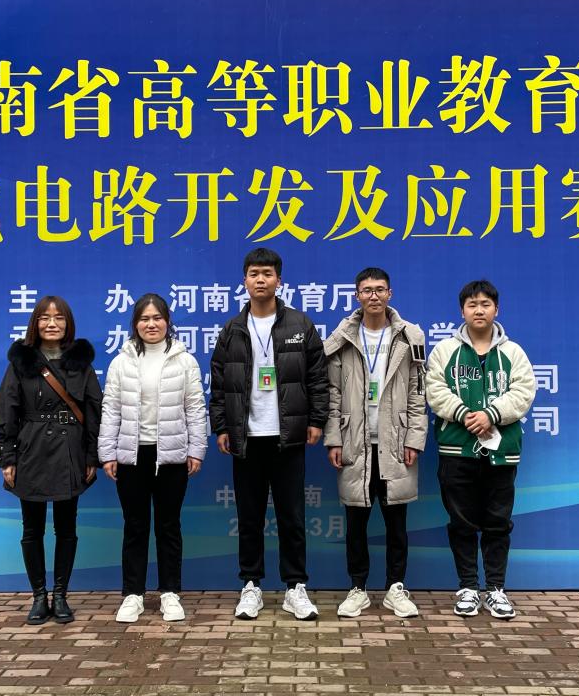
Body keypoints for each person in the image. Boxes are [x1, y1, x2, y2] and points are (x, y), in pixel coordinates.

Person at [209, 248, 329, 620]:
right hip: (247, 437)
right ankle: (251, 585)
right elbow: (218, 384)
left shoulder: (300, 325)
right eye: (254, 274)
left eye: (267, 273)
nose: (260, 280)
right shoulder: (232, 329)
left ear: (279, 280)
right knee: (249, 516)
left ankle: (295, 587)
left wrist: (316, 420)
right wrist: (222, 426)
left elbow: (318, 378)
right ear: (244, 280)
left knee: (292, 516)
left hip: (287, 436)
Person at [426, 279, 536, 619]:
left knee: (498, 523)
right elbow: (434, 388)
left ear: (496, 309)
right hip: (457, 450)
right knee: (461, 523)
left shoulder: (513, 352)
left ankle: (496, 589)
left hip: (501, 452)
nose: (479, 310)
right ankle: (468, 588)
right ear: (462, 311)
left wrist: (491, 414)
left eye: (485, 304)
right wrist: (464, 414)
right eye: (472, 304)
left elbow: (524, 391)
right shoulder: (445, 350)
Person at [0, 296, 102, 625]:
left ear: (68, 324)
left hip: (70, 451)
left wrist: (91, 455)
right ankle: (39, 596)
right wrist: (7, 457)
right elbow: (5, 411)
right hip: (31, 451)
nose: (52, 323)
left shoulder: (81, 363)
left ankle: (61, 594)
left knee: (67, 528)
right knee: (32, 528)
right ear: (35, 323)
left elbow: (95, 411)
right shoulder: (21, 362)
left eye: (59, 318)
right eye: (44, 317)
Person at [323, 268, 427, 618]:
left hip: (395, 440)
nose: (373, 296)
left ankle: (396, 587)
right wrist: (333, 439)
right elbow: (333, 393)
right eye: (366, 290)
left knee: (397, 521)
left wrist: (414, 438)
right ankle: (358, 588)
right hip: (355, 441)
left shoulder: (409, 336)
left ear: (390, 294)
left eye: (380, 289)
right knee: (356, 521)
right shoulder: (343, 337)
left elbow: (418, 392)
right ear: (357, 296)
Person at [98, 293, 207, 623]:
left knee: (168, 525)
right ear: (135, 324)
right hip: (132, 455)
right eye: (144, 319)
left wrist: (196, 449)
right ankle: (132, 595)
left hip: (172, 455)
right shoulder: (121, 362)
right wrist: (107, 453)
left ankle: (170, 593)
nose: (151, 324)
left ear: (167, 321)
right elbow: (111, 409)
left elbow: (195, 407)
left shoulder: (184, 361)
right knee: (135, 525)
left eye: (157, 318)